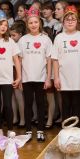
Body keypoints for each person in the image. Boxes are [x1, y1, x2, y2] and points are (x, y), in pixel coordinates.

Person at [52, 5, 80, 123]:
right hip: (64, 78)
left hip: (79, 78)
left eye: (73, 19)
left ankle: (77, 129)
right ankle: (66, 129)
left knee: (77, 105)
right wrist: (56, 77)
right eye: (67, 19)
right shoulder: (59, 38)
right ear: (63, 22)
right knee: (65, 105)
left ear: (77, 21)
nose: (70, 22)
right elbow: (55, 59)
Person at [20, 8, 53, 143]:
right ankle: (28, 131)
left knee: (41, 104)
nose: (33, 25)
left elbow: (49, 60)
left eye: (35, 22)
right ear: (27, 25)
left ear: (39, 23)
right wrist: (20, 78)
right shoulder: (23, 40)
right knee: (27, 104)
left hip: (41, 78)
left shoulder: (46, 39)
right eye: (30, 23)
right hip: (26, 78)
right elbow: (19, 60)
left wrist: (48, 78)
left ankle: (40, 130)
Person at [0, 11, 21, 138]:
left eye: (6, 25)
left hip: (7, 79)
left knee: (8, 105)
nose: (3, 27)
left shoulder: (10, 42)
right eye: (1, 24)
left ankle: (10, 129)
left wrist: (18, 77)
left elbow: (16, 60)